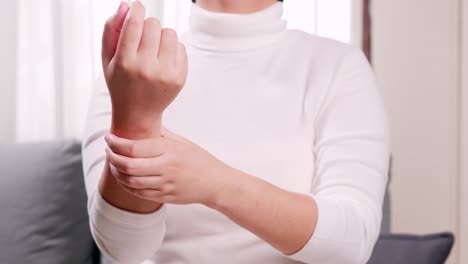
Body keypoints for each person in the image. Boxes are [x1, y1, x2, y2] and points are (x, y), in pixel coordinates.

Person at [82, 0, 390, 263]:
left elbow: (351, 243)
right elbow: (125, 250)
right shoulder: (130, 71)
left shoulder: (337, 67)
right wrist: (137, 118)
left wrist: (213, 183)